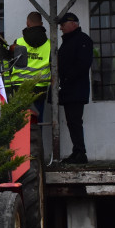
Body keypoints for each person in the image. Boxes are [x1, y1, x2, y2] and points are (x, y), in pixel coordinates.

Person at [57, 12, 94, 164]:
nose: (60, 28)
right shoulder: (70, 41)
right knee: (72, 121)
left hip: (76, 89)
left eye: (63, 25)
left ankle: (80, 152)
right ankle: (77, 151)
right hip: (69, 88)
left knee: (75, 121)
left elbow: (83, 65)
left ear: (73, 24)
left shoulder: (82, 40)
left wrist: (67, 78)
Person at [9, 11, 52, 121]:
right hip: (40, 88)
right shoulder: (50, 44)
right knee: (37, 120)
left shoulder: (18, 42)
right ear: (41, 24)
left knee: (19, 123)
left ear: (27, 24)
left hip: (20, 87)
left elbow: (11, 64)